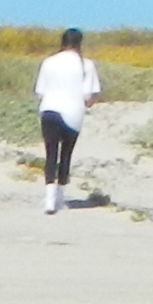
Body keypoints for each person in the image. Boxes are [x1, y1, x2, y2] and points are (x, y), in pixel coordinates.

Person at [36, 28, 102, 214]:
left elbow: (40, 91)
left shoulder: (48, 62)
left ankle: (49, 200)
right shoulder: (86, 65)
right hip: (72, 112)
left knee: (50, 153)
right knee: (65, 154)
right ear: (80, 43)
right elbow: (89, 96)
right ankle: (60, 197)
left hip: (49, 109)